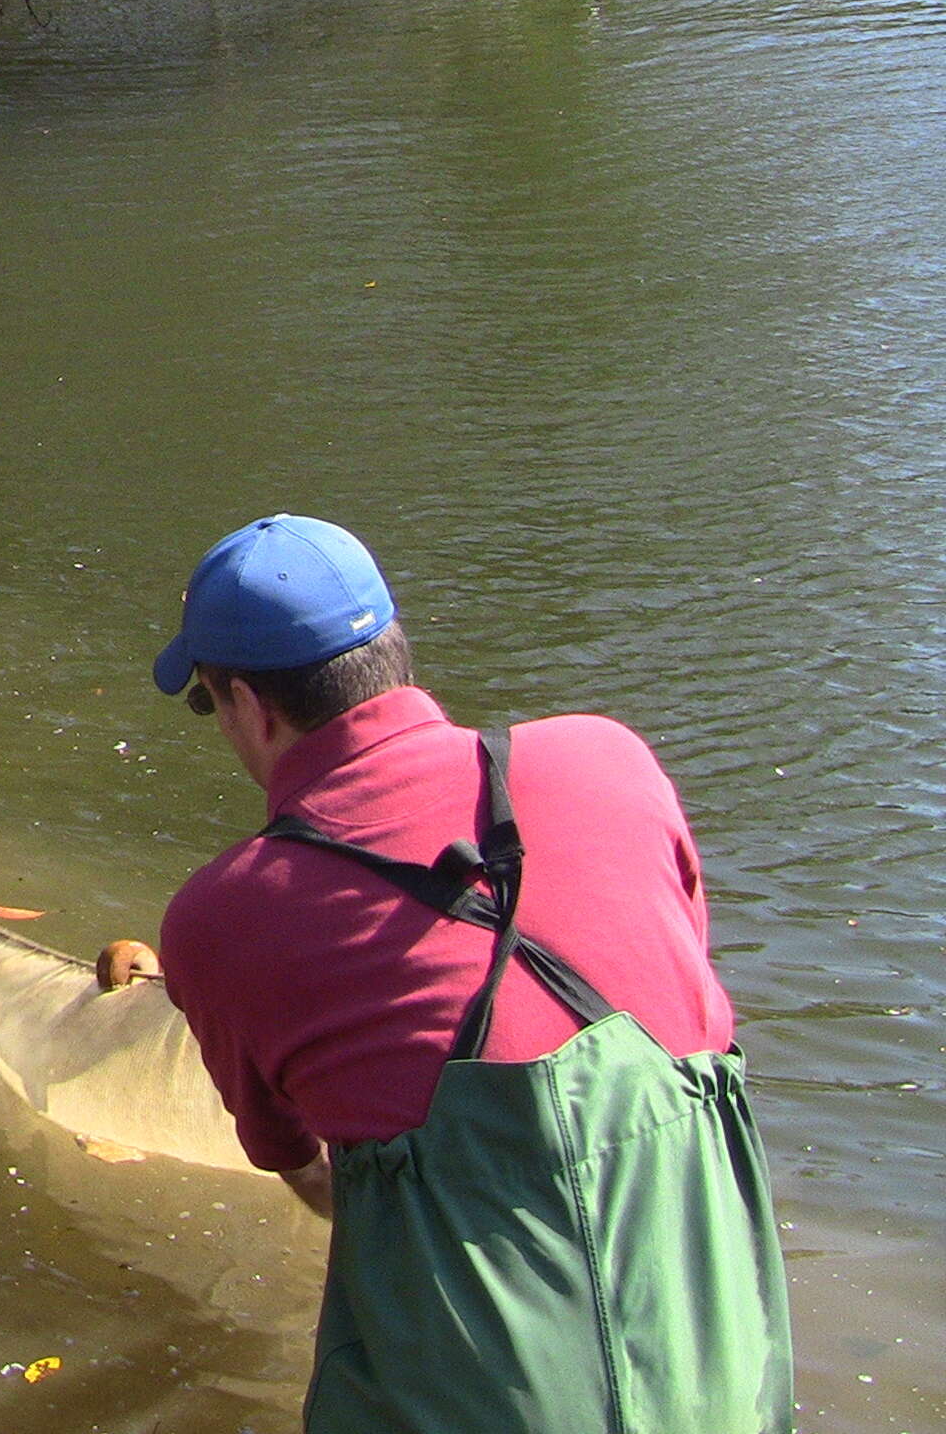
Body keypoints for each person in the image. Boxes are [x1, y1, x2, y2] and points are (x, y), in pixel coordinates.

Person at [149, 514, 791, 1434]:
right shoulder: (613, 759)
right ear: (390, 652)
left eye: (209, 703)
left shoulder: (222, 917)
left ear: (249, 705)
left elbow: (298, 1160)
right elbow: (689, 994)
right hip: (725, 1364)